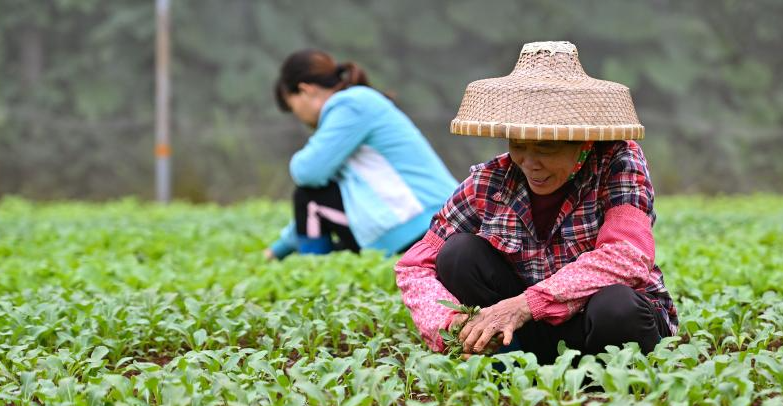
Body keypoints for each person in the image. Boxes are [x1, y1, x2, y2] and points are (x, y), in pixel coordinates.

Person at [395, 41, 678, 364]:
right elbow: (414, 266)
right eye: (519, 145)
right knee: (459, 254)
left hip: (600, 327)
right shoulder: (491, 180)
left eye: (546, 147)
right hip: (533, 331)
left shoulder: (616, 162)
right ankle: (514, 363)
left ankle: (598, 382)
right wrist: (449, 322)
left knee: (617, 307)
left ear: (583, 141)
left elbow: (627, 257)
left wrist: (525, 305)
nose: (530, 162)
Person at [264, 49, 458, 259]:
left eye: (293, 107)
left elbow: (307, 172)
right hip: (430, 224)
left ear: (305, 90)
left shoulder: (351, 105)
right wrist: (278, 249)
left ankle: (312, 273)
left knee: (308, 195)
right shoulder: (358, 105)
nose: (299, 117)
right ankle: (316, 270)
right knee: (314, 198)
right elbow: (314, 211)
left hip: (425, 227)